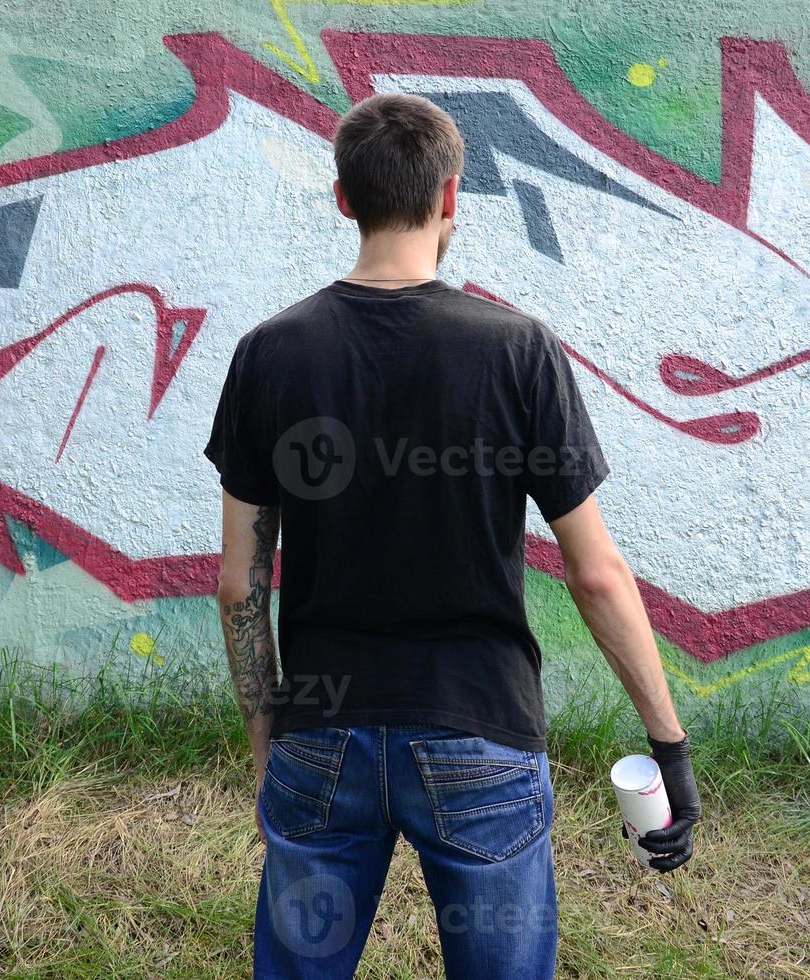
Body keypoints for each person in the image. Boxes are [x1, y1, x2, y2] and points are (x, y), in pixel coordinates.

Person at [203, 92, 702, 980]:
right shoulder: (517, 350)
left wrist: (267, 751)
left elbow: (243, 583)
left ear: (343, 199)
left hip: (322, 730)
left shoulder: (269, 352)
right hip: (481, 730)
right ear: (450, 199)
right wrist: (669, 745)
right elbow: (595, 576)